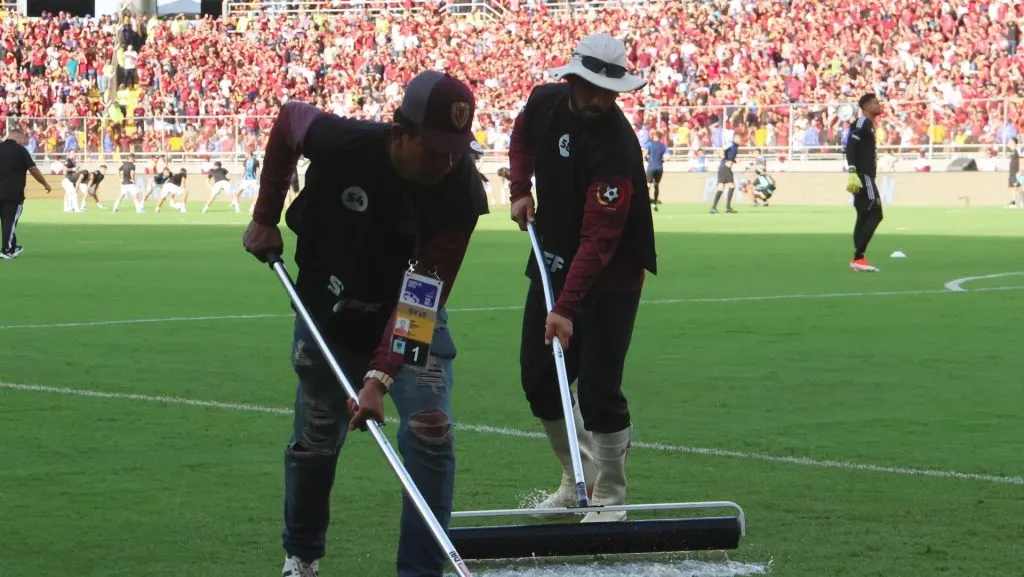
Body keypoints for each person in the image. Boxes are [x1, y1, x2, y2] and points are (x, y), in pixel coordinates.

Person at [241, 70, 487, 577]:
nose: (447, 162)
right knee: (315, 440)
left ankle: (421, 573)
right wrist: (266, 214)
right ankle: (302, 556)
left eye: (456, 149)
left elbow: (423, 293)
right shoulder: (344, 141)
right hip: (327, 311)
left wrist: (379, 376)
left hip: (408, 311)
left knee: (430, 429)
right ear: (400, 134)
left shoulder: (461, 189)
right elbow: (289, 119)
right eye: (435, 148)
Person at [508, 33, 657, 523]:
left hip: (610, 279)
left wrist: (565, 309)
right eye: (590, 87)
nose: (598, 99)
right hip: (551, 260)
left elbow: (600, 241)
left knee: (597, 388)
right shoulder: (545, 102)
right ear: (571, 79)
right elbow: (521, 135)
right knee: (539, 379)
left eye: (608, 90)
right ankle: (578, 478)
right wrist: (519, 188)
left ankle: (611, 497)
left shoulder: (616, 147)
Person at [845, 92, 884, 272]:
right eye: (875, 102)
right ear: (867, 106)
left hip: (862, 175)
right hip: (863, 176)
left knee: (863, 215)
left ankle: (858, 259)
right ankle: (858, 257)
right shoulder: (863, 123)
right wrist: (853, 169)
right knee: (876, 213)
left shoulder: (869, 126)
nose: (879, 104)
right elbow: (851, 144)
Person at [0, 129, 53, 259]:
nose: (24, 143)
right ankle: (7, 250)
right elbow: (33, 169)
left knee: (6, 223)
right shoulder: (20, 150)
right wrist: (45, 183)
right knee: (9, 222)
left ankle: (12, 246)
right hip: (13, 194)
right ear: (18, 138)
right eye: (23, 140)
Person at [710, 132, 739, 213]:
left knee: (722, 187)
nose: (740, 140)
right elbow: (721, 149)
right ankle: (727, 207)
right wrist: (725, 160)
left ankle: (714, 207)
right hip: (724, 168)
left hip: (724, 168)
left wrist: (734, 161)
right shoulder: (731, 144)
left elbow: (729, 156)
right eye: (739, 138)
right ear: (735, 138)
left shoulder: (735, 146)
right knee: (731, 186)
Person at [643, 130, 667, 211]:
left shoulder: (649, 144)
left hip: (651, 167)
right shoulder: (663, 146)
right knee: (656, 185)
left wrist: (647, 160)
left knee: (648, 185)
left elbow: (644, 154)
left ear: (654, 136)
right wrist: (662, 161)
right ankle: (655, 203)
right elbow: (667, 157)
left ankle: (644, 202)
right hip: (659, 168)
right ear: (660, 137)